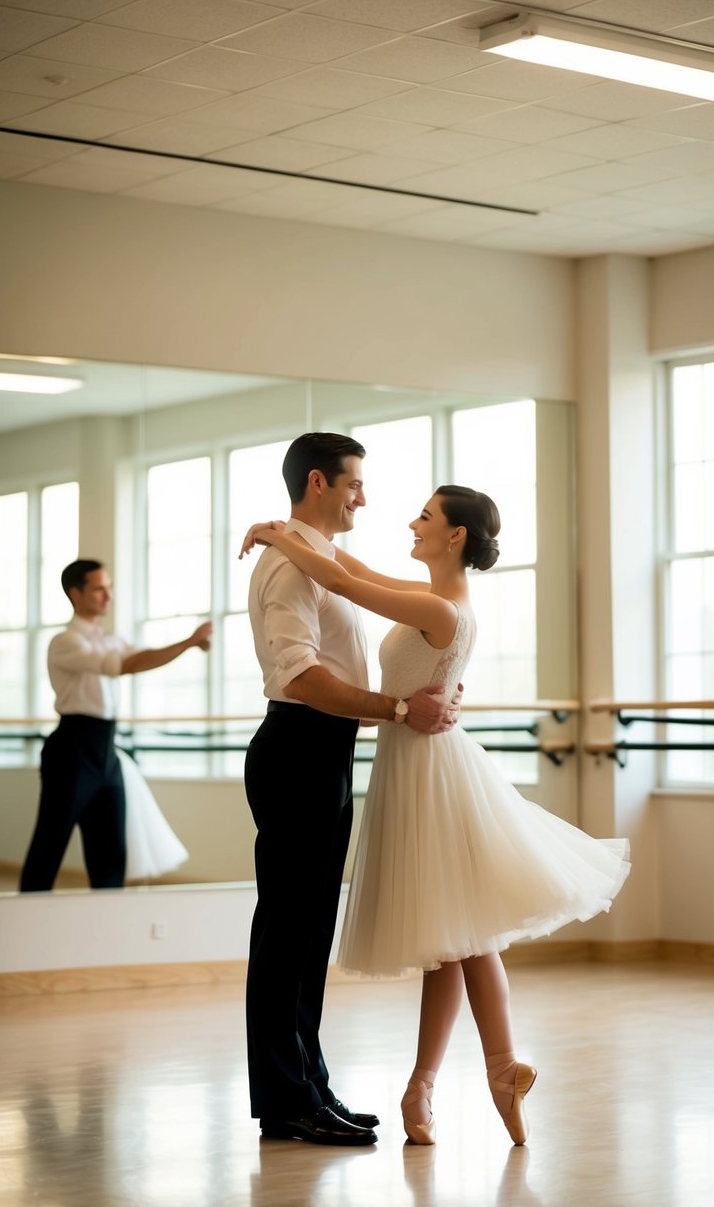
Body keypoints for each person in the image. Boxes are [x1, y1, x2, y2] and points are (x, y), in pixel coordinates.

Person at [241, 485, 631, 1148]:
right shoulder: (437, 600)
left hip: (429, 769)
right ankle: (443, 1082)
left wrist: (279, 537)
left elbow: (339, 578)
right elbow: (353, 572)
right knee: (452, 934)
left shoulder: (435, 607)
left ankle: (482, 1072)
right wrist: (294, 536)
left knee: (464, 933)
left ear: (455, 536)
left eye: (425, 516)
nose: (410, 522)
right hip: (420, 761)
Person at [240, 433, 460, 1150]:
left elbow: (358, 580)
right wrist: (396, 710)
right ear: (317, 483)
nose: (364, 496)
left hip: (324, 753)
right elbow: (301, 677)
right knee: (287, 936)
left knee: (307, 938)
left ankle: (309, 1086)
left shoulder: (317, 556)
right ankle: (284, 1103)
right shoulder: (288, 567)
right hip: (298, 747)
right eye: (354, 484)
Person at [19, 559, 212, 893]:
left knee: (111, 855)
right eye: (99, 588)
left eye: (109, 587)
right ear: (75, 593)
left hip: (106, 754)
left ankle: (108, 933)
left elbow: (142, 656)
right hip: (71, 750)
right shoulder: (65, 642)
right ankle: (19, 928)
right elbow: (126, 665)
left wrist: (187, 645)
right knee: (49, 846)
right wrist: (187, 642)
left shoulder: (111, 639)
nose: (108, 596)